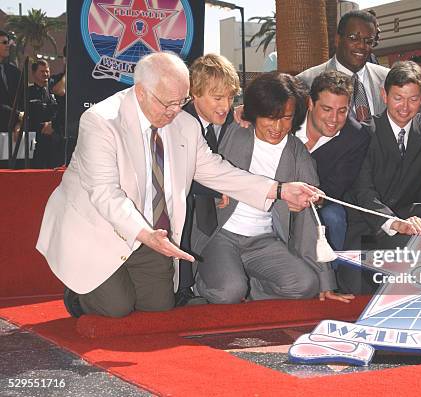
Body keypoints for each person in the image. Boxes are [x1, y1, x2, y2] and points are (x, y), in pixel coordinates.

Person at [36, 52, 321, 318]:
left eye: (181, 101)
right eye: (168, 103)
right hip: (98, 228)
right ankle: (76, 294)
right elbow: (105, 194)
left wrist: (280, 190)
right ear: (141, 92)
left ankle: (120, 278)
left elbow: (216, 170)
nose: (175, 111)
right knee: (117, 307)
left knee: (159, 306)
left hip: (151, 233)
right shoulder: (100, 122)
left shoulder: (184, 124)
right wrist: (146, 234)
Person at [190, 72, 353, 304]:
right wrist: (240, 109)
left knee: (306, 284)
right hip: (221, 234)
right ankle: (212, 285)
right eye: (270, 117)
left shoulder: (298, 153)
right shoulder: (234, 129)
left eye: (286, 118)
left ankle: (248, 284)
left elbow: (310, 219)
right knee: (229, 292)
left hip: (263, 241)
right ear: (256, 113)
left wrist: (325, 280)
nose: (277, 127)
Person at [340, 61, 421, 294]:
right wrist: (395, 223)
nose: (405, 107)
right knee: (361, 292)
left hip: (410, 212)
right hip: (369, 224)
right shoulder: (365, 132)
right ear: (384, 95)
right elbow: (363, 193)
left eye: (413, 99)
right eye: (398, 97)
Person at [175, 53, 240, 306]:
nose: (226, 105)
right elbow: (177, 174)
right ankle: (183, 286)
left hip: (220, 221)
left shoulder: (234, 119)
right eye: (217, 98)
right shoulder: (177, 121)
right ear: (195, 93)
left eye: (231, 97)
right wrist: (211, 190)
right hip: (183, 210)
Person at [295, 70, 371, 254]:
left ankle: (332, 273)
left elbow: (336, 187)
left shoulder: (355, 136)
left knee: (334, 217)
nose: (334, 119)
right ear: (311, 103)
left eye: (342, 111)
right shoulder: (290, 117)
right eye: (327, 109)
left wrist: (316, 198)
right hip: (276, 193)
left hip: (321, 200)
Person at [297, 10, 389, 122]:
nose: (361, 46)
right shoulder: (306, 82)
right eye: (354, 38)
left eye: (369, 41)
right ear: (337, 39)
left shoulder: (387, 78)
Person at [29, 59, 61, 168]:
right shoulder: (28, 92)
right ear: (34, 73)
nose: (46, 74)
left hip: (53, 139)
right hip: (36, 139)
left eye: (47, 71)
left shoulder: (55, 91)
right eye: (42, 71)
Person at [0, 29, 21, 135]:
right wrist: (18, 115)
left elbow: (21, 98)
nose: (8, 45)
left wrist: (19, 123)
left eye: (8, 42)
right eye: (4, 43)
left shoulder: (14, 71)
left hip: (13, 133)